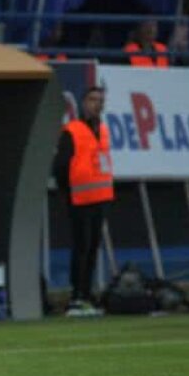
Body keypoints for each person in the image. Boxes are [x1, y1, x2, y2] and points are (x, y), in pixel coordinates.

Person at [52, 86, 113, 317]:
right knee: (81, 248)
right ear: (83, 103)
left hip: (101, 197)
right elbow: (61, 166)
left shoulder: (104, 130)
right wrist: (68, 193)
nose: (96, 104)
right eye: (91, 99)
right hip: (80, 198)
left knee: (92, 248)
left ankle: (86, 294)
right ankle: (77, 295)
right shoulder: (73, 131)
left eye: (99, 100)